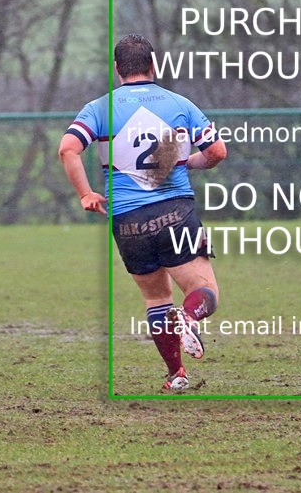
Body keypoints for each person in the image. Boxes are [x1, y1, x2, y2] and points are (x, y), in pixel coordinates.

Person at [58, 33, 227, 391]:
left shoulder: (99, 108)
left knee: (155, 299)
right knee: (205, 291)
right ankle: (188, 317)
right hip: (174, 211)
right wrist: (188, 163)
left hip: (127, 220)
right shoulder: (179, 103)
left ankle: (177, 376)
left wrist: (86, 193)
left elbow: (67, 149)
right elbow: (217, 152)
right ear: (154, 65)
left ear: (117, 69)